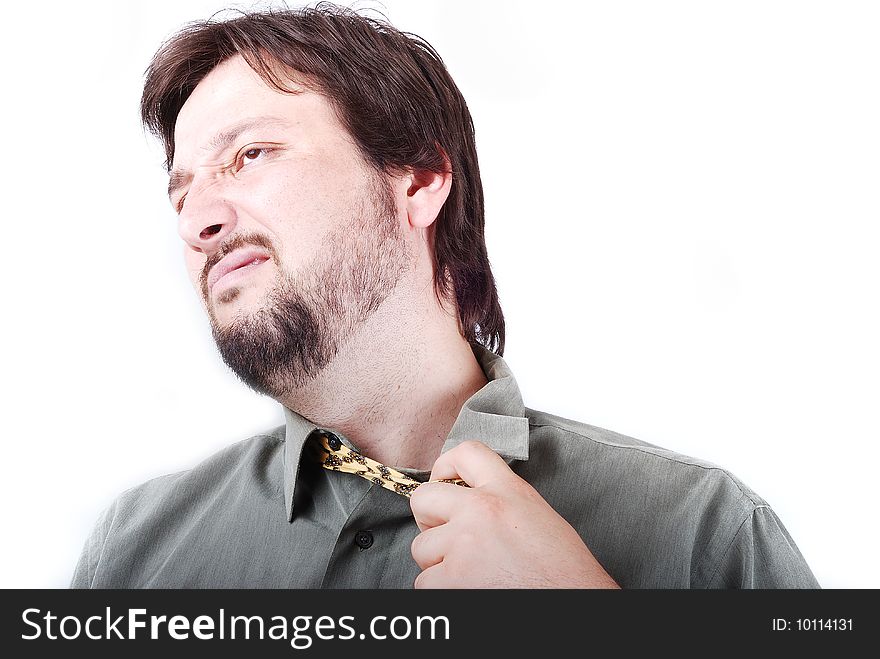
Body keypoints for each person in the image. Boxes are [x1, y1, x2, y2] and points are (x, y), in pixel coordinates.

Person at [71, 4, 819, 589]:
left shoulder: (704, 533)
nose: (200, 220)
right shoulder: (135, 550)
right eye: (184, 193)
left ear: (420, 180)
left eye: (251, 155)